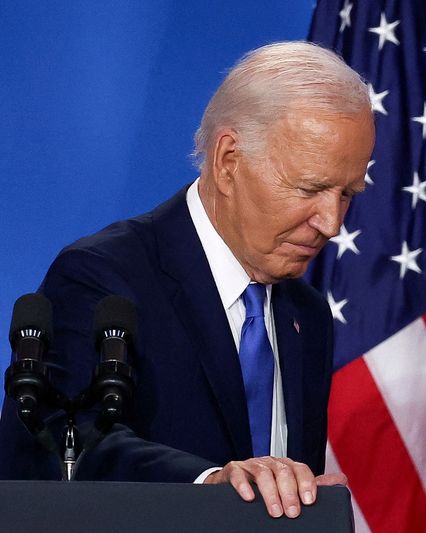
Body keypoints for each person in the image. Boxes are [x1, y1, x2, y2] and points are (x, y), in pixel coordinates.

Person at [0, 41, 375, 519]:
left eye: (347, 193)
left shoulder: (306, 313)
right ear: (228, 161)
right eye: (310, 188)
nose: (332, 222)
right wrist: (209, 485)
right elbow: (62, 447)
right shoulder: (102, 279)